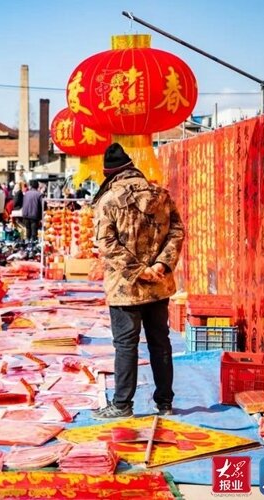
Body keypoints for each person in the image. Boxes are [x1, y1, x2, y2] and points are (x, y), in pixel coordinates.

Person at [91, 143, 185, 419]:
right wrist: (160, 264)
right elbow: (177, 231)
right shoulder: (161, 194)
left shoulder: (109, 200)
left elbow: (106, 243)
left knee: (125, 345)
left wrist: (137, 269)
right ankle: (165, 402)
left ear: (110, 173)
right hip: (159, 284)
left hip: (125, 288)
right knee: (160, 341)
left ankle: (122, 404)